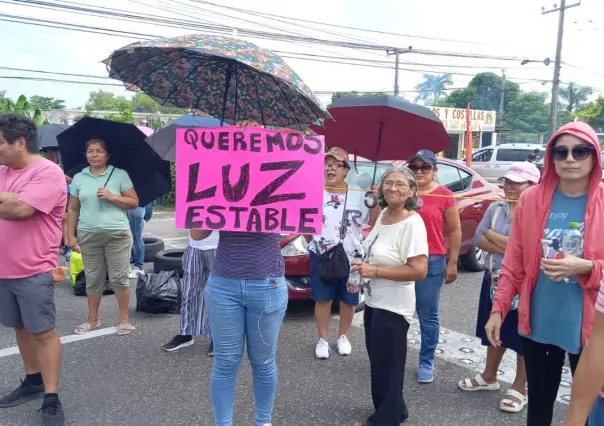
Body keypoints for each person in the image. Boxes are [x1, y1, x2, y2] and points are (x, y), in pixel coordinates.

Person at [485, 121, 604, 426]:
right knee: (539, 402)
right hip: (540, 320)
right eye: (560, 152)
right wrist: (498, 308)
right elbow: (515, 260)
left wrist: (589, 267)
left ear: (595, 156)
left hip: (591, 328)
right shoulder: (532, 199)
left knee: (589, 409)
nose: (570, 159)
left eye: (580, 151)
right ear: (551, 158)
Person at [193, 120, 288, 426]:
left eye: (255, 140)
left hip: (268, 284)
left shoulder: (282, 176)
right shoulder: (218, 176)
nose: (247, 145)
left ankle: (264, 422)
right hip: (224, 286)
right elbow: (197, 233)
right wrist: (202, 195)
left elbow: (304, 225)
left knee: (263, 363)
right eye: (240, 141)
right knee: (225, 362)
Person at [0, 114, 67, 425]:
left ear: (21, 142)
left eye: (0, 142)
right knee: (21, 327)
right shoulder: (3, 171)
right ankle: (32, 380)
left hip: (33, 268)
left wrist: (14, 200)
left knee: (43, 331)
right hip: (4, 270)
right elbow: (11, 203)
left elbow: (20, 209)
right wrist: (9, 197)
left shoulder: (48, 173)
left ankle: (51, 396)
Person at [458, 162, 541, 413]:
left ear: (534, 186)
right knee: (495, 329)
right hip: (494, 278)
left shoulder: (540, 212)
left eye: (519, 182)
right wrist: (512, 244)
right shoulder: (496, 207)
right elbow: (479, 239)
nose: (510, 186)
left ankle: (519, 387)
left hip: (527, 283)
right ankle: (489, 376)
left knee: (524, 334)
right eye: (508, 181)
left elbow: (533, 252)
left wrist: (496, 238)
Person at [350, 167, 428, 426]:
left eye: (400, 184)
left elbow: (418, 270)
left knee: (389, 366)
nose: (392, 188)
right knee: (381, 362)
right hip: (374, 301)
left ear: (412, 191)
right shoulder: (384, 214)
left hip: (394, 306)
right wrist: (363, 272)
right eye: (388, 183)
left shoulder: (412, 223)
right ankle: (397, 409)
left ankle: (385, 420)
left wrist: (375, 271)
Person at [307, 147, 380, 359]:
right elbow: (305, 223)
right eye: (327, 164)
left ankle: (343, 336)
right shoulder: (314, 191)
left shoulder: (359, 193)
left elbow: (374, 222)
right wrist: (313, 242)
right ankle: (323, 339)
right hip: (321, 254)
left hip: (353, 256)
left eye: (336, 165)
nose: (330, 168)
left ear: (346, 170)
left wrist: (374, 202)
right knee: (322, 299)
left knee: (349, 300)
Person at [66, 138, 139, 336]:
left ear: (107, 155)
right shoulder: (79, 178)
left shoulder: (119, 174)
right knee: (93, 278)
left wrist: (112, 196)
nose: (95, 155)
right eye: (90, 151)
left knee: (119, 278)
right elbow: (73, 208)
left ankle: (124, 319)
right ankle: (93, 319)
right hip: (88, 234)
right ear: (85, 154)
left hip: (117, 234)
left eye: (99, 151)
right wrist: (70, 236)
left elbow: (134, 202)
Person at [407, 149, 462, 383]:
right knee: (397, 313)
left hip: (432, 261)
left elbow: (455, 230)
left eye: (425, 167)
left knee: (427, 315)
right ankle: (394, 358)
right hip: (402, 260)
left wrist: (453, 262)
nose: (419, 171)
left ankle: (426, 360)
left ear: (434, 170)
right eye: (415, 167)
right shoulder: (403, 191)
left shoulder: (445, 195)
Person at [162, 230, 218, 355]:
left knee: (217, 296)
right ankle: (185, 333)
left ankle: (217, 336)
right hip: (194, 245)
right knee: (189, 293)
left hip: (219, 245)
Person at [127, 204, 147, 278]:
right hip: (137, 208)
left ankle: (139, 267)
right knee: (133, 236)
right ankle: (135, 262)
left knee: (136, 237)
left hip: (135, 208)